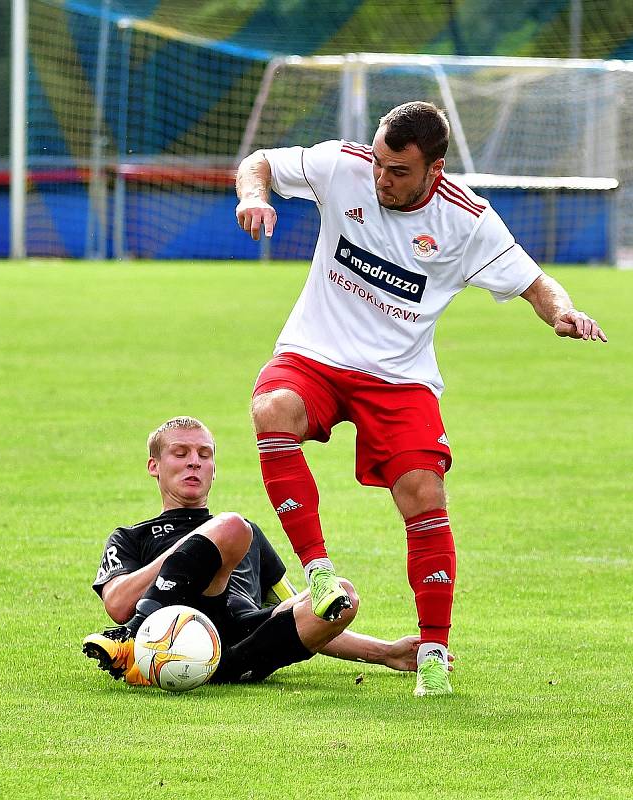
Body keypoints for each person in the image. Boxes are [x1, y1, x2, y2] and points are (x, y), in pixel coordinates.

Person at [234, 101, 607, 696]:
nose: (382, 178)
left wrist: (563, 313)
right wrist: (254, 196)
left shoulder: (469, 221)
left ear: (435, 169)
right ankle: (321, 574)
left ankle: (433, 653)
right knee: (271, 410)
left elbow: (534, 282)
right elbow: (259, 163)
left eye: (398, 171)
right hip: (316, 355)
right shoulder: (343, 165)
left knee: (423, 493)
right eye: (379, 163)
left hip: (400, 378)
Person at [83, 416, 446, 687]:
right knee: (231, 527)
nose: (194, 461)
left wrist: (386, 652)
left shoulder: (248, 534)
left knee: (342, 597)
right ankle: (130, 638)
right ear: (154, 466)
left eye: (204, 455)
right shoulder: (132, 537)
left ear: (214, 469)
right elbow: (116, 602)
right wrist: (195, 542)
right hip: (176, 625)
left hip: (244, 638)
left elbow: (303, 610)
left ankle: (220, 667)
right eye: (180, 453)